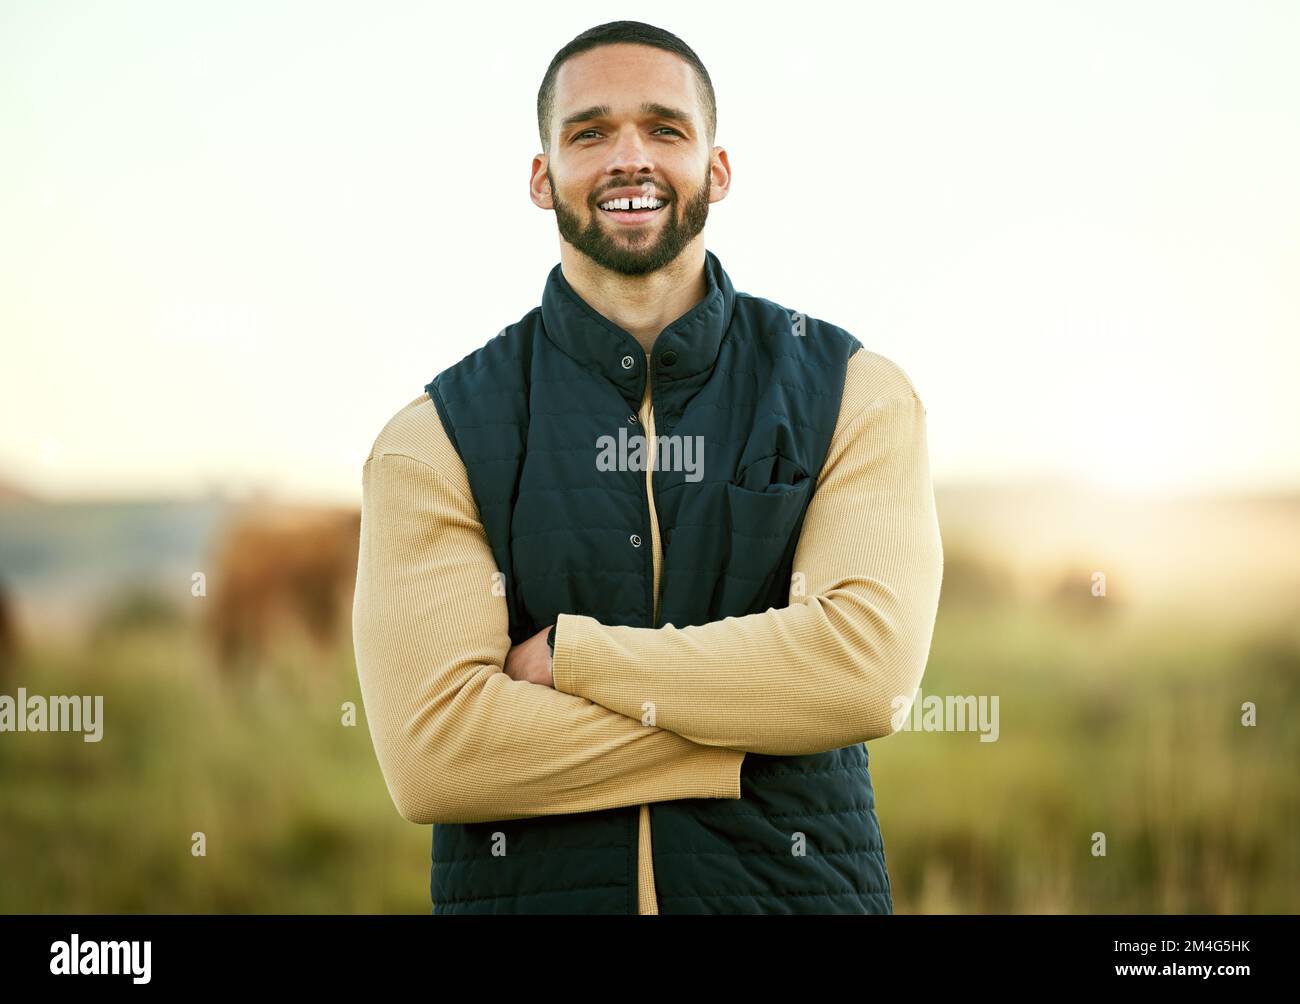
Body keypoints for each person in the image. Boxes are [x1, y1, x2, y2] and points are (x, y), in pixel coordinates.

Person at [352, 20, 944, 914]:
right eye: (590, 133)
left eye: (665, 129)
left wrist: (571, 656)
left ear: (717, 169)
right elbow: (437, 754)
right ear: (542, 178)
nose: (630, 158)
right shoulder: (433, 436)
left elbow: (866, 673)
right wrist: (755, 728)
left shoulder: (854, 392)